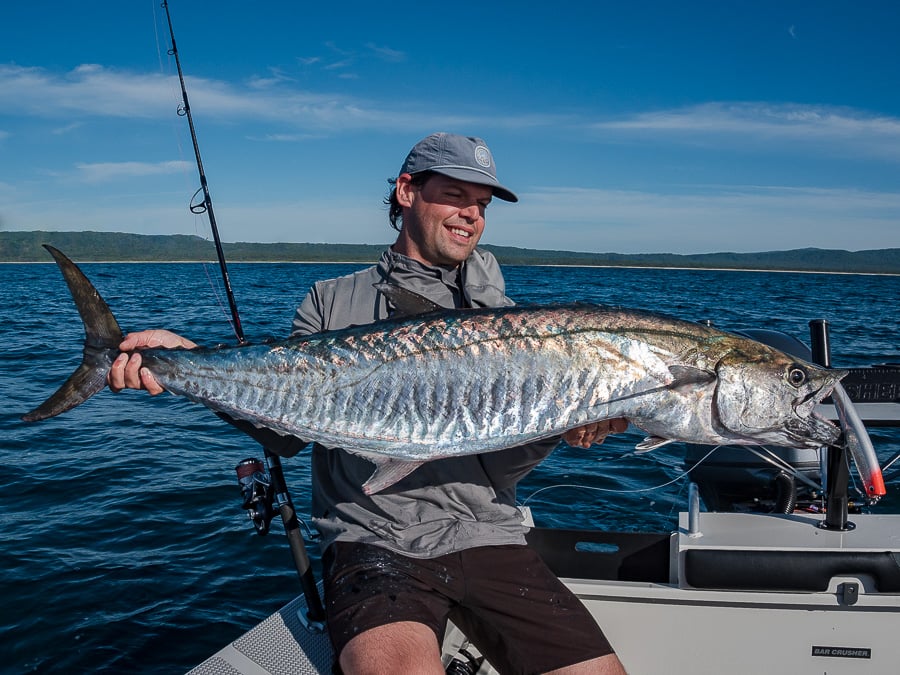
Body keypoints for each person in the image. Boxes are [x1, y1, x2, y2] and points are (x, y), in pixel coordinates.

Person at [109, 132, 629, 674]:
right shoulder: (332, 301)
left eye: (480, 205)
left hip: (486, 532)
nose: (470, 215)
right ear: (407, 191)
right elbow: (285, 436)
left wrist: (559, 425)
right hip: (372, 538)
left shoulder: (513, 325)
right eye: (455, 195)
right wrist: (188, 364)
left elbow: (497, 463)